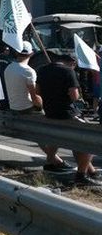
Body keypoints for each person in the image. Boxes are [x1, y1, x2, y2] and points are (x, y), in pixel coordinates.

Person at [37, 55, 102, 187]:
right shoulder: (68, 71)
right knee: (89, 140)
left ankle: (91, 171)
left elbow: (38, 91)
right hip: (67, 113)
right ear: (72, 62)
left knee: (76, 140)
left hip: (50, 111)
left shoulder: (42, 70)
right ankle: (81, 176)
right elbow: (74, 96)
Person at [4, 41, 42, 115]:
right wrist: (41, 106)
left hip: (13, 108)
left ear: (16, 52)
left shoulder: (8, 68)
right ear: (31, 54)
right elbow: (34, 98)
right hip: (27, 109)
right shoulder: (28, 71)